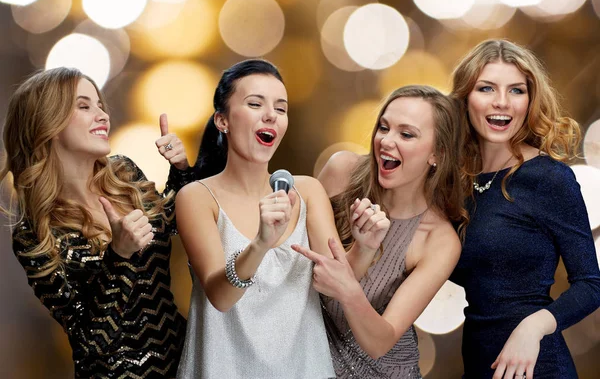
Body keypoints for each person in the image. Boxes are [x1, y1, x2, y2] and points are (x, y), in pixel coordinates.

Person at [175, 59, 389, 379]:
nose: (271, 115)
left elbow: (335, 286)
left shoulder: (308, 191)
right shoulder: (196, 197)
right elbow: (220, 296)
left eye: (281, 107)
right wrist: (261, 243)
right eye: (255, 103)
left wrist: (366, 247)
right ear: (222, 120)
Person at [0, 67, 196, 378]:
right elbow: (89, 342)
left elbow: (171, 224)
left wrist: (181, 171)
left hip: (186, 364)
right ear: (47, 122)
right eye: (84, 106)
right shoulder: (34, 235)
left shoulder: (124, 173)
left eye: (100, 104)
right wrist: (118, 256)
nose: (102, 114)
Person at [450, 39, 600, 379]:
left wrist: (533, 327)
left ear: (530, 101)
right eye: (486, 88)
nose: (502, 102)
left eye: (516, 90)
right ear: (465, 99)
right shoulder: (456, 183)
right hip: (477, 365)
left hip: (538, 365)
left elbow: (591, 285)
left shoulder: (549, 178)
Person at [292, 85, 465, 379]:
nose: (386, 141)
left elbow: (380, 342)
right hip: (307, 361)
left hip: (381, 371)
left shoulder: (439, 241)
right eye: (383, 128)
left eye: (406, 134)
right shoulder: (341, 173)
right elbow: (298, 273)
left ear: (437, 154)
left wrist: (349, 289)